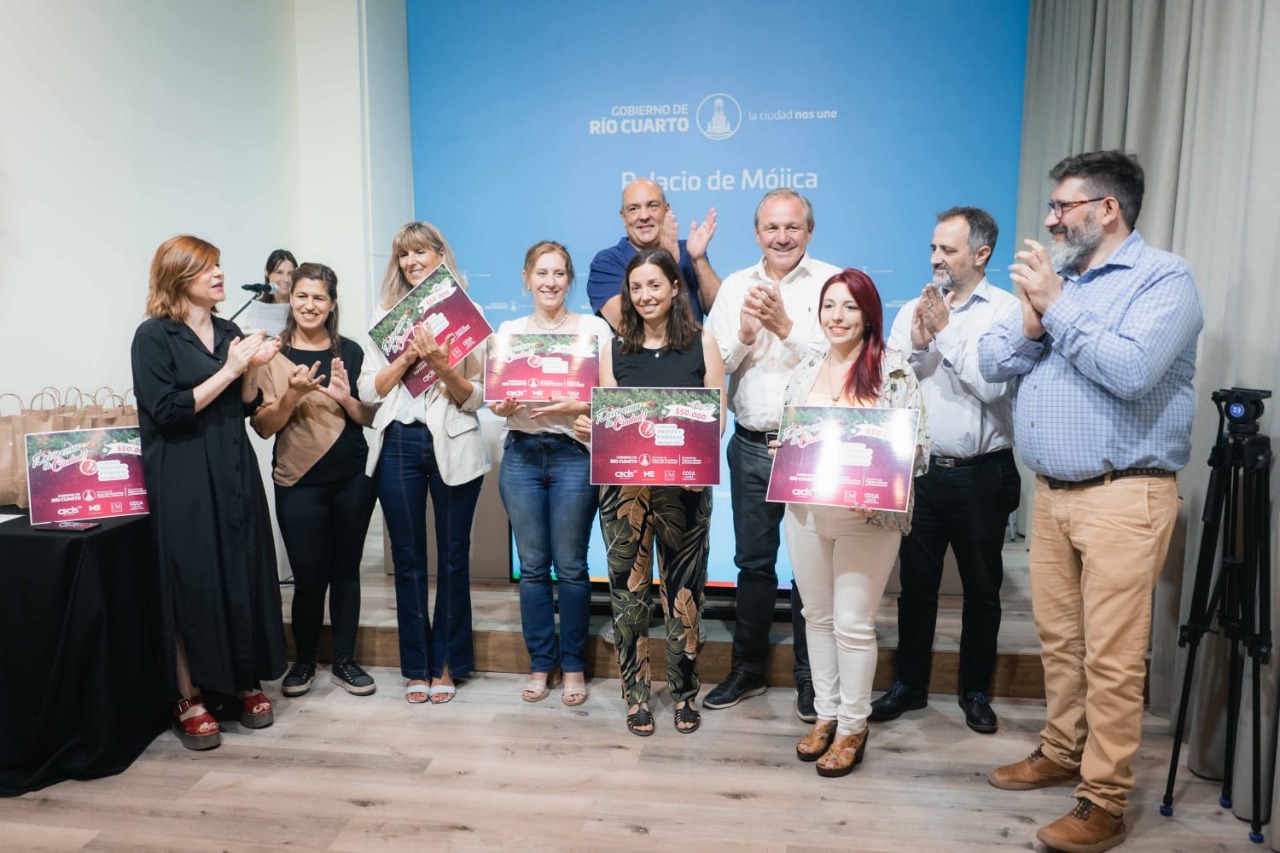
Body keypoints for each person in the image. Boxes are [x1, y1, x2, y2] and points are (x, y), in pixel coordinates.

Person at [979, 150, 1203, 853]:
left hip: (1124, 495)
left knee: (1112, 658)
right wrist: (1034, 319)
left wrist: (1057, 305)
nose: (1050, 219)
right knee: (1062, 644)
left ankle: (1103, 800)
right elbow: (990, 360)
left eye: (1062, 205)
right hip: (1052, 495)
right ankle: (1061, 749)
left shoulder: (1163, 279)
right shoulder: (1060, 281)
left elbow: (1132, 371)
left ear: (1107, 209)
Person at [130, 235, 287, 750]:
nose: (219, 275)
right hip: (181, 472)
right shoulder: (154, 336)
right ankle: (188, 695)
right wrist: (232, 369)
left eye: (218, 265)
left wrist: (253, 368)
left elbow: (243, 404)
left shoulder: (228, 331)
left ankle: (241, 680)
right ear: (178, 277)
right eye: (206, 268)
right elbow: (167, 410)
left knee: (240, 571)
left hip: (233, 467)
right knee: (190, 579)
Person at [872, 207, 1021, 734]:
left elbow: (993, 386)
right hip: (920, 471)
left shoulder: (1007, 312)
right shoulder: (913, 309)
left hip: (983, 473)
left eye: (948, 250)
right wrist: (917, 343)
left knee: (981, 589)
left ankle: (975, 690)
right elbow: (889, 386)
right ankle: (909, 685)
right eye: (934, 247)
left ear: (981, 254)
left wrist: (945, 333)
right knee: (916, 588)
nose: (936, 258)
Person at [702, 188, 842, 720]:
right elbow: (716, 363)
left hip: (812, 446)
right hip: (750, 445)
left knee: (812, 569)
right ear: (757, 233)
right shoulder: (736, 285)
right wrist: (744, 334)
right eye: (772, 228)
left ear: (810, 230)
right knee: (753, 565)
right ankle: (748, 670)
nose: (782, 237)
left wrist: (785, 327)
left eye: (792, 227)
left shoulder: (834, 283)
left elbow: (846, 358)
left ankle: (811, 677)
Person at [783, 269, 929, 777]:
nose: (837, 316)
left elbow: (919, 451)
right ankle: (826, 715)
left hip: (868, 517)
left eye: (849, 307)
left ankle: (852, 725)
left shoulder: (894, 370)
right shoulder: (806, 366)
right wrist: (785, 450)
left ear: (868, 315)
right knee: (816, 616)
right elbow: (792, 432)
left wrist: (881, 464)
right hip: (805, 512)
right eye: (829, 306)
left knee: (852, 623)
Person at [574, 248, 725, 736]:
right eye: (636, 287)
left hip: (686, 490)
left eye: (655, 285)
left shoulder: (704, 343)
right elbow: (610, 425)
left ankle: (684, 694)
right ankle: (636, 695)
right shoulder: (614, 348)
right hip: (625, 495)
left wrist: (694, 454)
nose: (645, 295)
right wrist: (592, 430)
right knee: (628, 595)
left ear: (675, 287)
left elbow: (717, 420)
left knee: (685, 595)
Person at [357, 221, 490, 705]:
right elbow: (367, 390)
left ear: (440, 255)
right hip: (398, 442)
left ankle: (447, 663)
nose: (412, 262)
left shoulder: (468, 312)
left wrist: (439, 363)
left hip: (453, 441)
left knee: (453, 557)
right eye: (404, 255)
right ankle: (417, 666)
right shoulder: (385, 316)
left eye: (420, 252)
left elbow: (477, 396)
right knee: (408, 558)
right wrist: (406, 357)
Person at [250, 262, 378, 699]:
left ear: (332, 304)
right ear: (290, 299)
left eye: (319, 297)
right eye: (302, 296)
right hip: (297, 480)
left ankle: (344, 661)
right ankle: (303, 661)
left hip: (352, 478)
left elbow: (369, 417)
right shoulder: (271, 354)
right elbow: (263, 427)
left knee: (346, 572)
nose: (309, 305)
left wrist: (346, 401)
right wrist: (292, 395)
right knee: (308, 577)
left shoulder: (351, 352)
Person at [491, 241, 611, 706]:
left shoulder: (593, 329)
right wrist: (503, 404)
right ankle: (542, 662)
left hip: (574, 456)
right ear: (526, 278)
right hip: (521, 454)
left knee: (573, 567)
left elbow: (610, 396)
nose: (550, 282)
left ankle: (574, 664)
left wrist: (577, 406)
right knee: (533, 567)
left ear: (569, 279)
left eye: (559, 273)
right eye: (541, 273)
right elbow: (498, 400)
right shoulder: (509, 331)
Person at [587, 178, 721, 329]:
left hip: (695, 344)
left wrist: (699, 259)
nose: (644, 216)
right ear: (623, 217)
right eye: (634, 209)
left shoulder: (689, 250)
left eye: (652, 206)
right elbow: (630, 327)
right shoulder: (607, 263)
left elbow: (720, 311)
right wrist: (668, 261)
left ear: (666, 210)